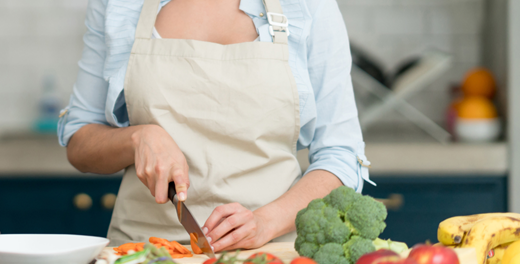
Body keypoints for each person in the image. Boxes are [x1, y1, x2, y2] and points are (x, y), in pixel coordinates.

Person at [59, 0, 372, 251]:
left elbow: (340, 153)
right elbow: (80, 138)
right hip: (145, 256)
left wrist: (266, 221)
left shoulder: (307, 5)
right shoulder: (119, 5)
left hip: (268, 258)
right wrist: (137, 137)